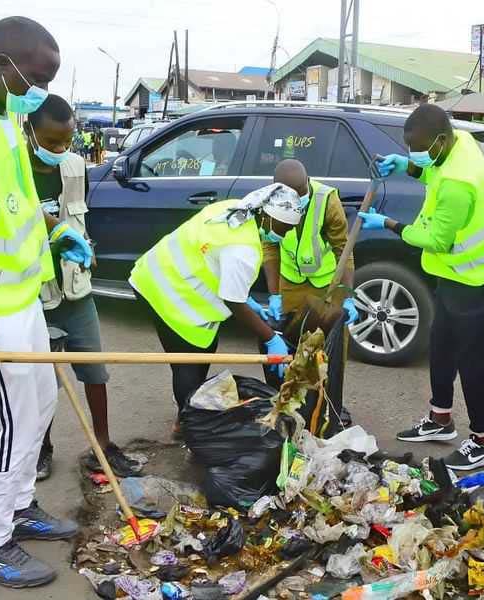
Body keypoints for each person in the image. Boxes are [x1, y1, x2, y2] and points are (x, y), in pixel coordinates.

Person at [0, 16, 94, 588]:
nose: (38, 91)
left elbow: (9, 202)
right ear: (2, 63)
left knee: (38, 405)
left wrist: (53, 229)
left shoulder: (8, 117)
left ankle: (18, 507)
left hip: (23, 297)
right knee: (9, 420)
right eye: (35, 78)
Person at [359, 104, 484, 471]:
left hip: (478, 274)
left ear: (441, 141)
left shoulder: (457, 185)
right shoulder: (458, 142)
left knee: (471, 359)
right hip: (458, 272)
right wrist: (407, 165)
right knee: (441, 341)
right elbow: (433, 168)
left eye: (419, 149)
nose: (416, 154)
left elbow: (436, 240)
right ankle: (440, 418)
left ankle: (483, 440)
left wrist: (388, 223)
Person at [24, 94, 141, 481]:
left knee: (94, 370)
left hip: (75, 288)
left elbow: (79, 219)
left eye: (67, 141)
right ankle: (41, 447)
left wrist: (85, 246)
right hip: (33, 295)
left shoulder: (76, 167)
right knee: (42, 381)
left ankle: (102, 446)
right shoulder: (13, 170)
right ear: (29, 131)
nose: (61, 150)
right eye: (53, 142)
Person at [129, 183, 303, 429]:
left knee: (205, 349)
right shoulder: (244, 249)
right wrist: (270, 338)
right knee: (188, 359)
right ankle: (190, 426)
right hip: (165, 291)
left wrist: (249, 300)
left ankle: (190, 414)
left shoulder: (234, 209)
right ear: (267, 217)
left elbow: (217, 263)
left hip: (162, 274)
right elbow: (233, 302)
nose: (284, 235)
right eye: (284, 228)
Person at [264, 159, 357, 330]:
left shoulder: (327, 201)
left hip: (326, 284)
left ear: (308, 180)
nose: (299, 201)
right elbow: (270, 246)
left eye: (301, 194)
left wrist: (347, 295)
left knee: (324, 344)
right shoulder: (270, 200)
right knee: (287, 339)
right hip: (290, 282)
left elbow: (343, 249)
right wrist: (274, 294)